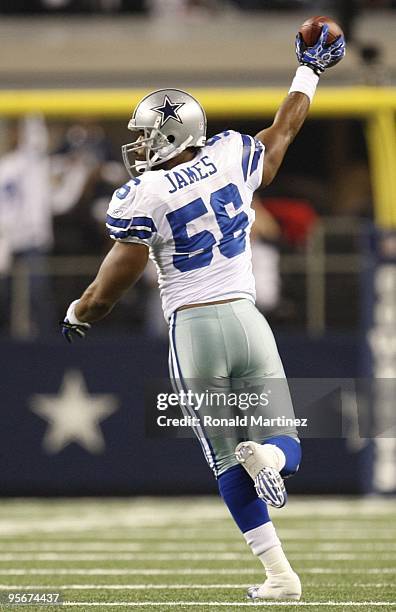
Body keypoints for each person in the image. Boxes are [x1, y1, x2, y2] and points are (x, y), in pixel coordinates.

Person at [61, 26, 345, 602]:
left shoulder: (147, 195)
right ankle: (271, 469)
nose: (138, 145)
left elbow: (114, 279)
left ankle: (280, 574)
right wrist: (308, 70)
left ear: (169, 136)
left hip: (194, 328)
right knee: (285, 438)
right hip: (248, 318)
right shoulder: (232, 155)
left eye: (146, 136)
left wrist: (80, 310)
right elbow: (284, 130)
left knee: (223, 458)